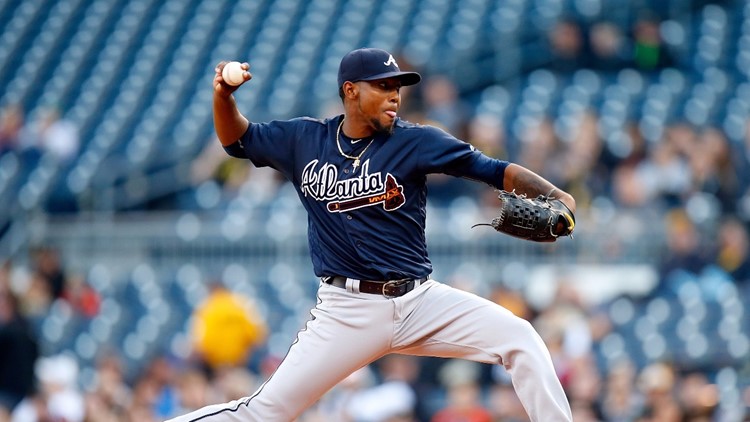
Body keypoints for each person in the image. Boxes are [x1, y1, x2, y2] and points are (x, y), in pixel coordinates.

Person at [168, 47, 576, 422]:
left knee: (520, 338)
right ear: (351, 91)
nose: (395, 95)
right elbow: (236, 139)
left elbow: (492, 168)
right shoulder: (304, 139)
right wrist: (223, 96)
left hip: (419, 301)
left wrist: (557, 195)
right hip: (347, 311)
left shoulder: (416, 141)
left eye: (397, 87)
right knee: (264, 412)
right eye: (383, 87)